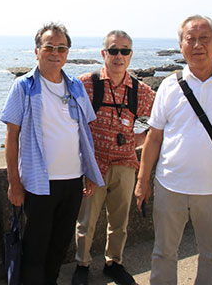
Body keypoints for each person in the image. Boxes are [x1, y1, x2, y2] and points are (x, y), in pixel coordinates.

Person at [134, 15, 212, 285]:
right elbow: (154, 137)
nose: (197, 45)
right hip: (169, 186)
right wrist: (142, 182)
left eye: (205, 39)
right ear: (181, 46)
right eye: (191, 39)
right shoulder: (168, 86)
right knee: (163, 253)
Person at [1, 22, 105, 285]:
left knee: (59, 246)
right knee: (35, 247)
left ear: (67, 53)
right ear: (37, 51)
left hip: (72, 182)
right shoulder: (23, 86)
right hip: (39, 183)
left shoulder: (76, 87)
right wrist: (14, 182)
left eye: (61, 48)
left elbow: (84, 133)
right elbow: (11, 136)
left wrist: (90, 173)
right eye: (49, 47)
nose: (55, 52)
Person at [72, 30, 156, 285]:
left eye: (125, 50)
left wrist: (140, 139)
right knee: (86, 221)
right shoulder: (87, 84)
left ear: (131, 55)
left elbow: (164, 118)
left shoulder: (139, 90)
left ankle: (114, 263)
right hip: (92, 165)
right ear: (104, 53)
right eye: (113, 50)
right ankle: (82, 265)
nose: (119, 56)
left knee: (120, 221)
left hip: (126, 164)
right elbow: (67, 120)